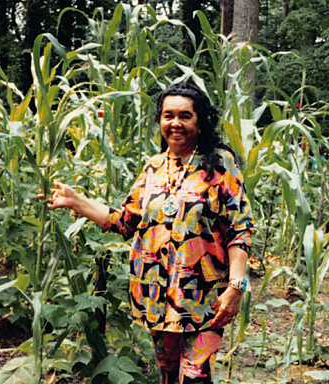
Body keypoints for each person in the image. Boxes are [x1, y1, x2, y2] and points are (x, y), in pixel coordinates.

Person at [41, 82, 253, 384]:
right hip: (156, 296)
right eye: (168, 116)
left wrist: (236, 285)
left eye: (185, 116)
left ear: (200, 120)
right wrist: (77, 201)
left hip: (204, 298)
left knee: (195, 377)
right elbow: (124, 221)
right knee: (167, 376)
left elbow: (239, 229)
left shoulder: (219, 164)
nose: (175, 123)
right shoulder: (153, 168)